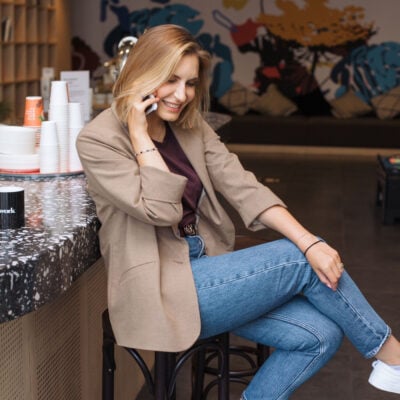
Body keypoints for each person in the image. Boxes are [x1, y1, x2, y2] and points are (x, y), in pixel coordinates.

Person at [77, 24, 400, 399]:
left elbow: (244, 187)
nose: (182, 95)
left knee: (319, 336)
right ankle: (391, 355)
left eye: (191, 83)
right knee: (297, 257)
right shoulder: (99, 140)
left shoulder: (189, 125)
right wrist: (140, 136)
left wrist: (310, 241)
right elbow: (161, 211)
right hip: (160, 286)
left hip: (206, 267)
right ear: (144, 73)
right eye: (171, 80)